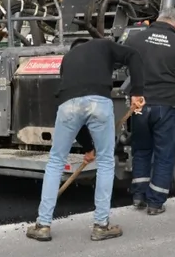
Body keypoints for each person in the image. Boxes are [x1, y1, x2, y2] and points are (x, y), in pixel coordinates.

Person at [27, 37, 145, 242]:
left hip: (68, 105)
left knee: (55, 161)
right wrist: (137, 93)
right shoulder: (104, 44)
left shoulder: (67, 59)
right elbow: (133, 55)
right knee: (106, 162)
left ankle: (43, 225)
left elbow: (75, 108)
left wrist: (88, 148)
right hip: (99, 101)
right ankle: (101, 225)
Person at [122, 9, 175, 215]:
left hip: (140, 105)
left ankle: (139, 196)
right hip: (166, 106)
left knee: (141, 150)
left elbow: (124, 67)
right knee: (164, 154)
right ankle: (155, 202)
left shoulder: (136, 40)